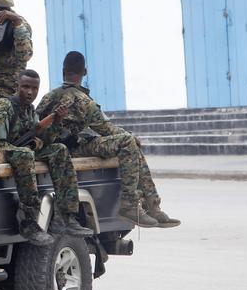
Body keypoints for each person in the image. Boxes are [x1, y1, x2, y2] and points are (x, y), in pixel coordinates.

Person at [37, 51, 180, 228]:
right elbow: (106, 129)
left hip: (52, 149)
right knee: (128, 142)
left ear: (63, 71)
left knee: (129, 142)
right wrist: (131, 137)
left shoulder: (47, 97)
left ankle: (152, 205)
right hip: (73, 149)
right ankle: (133, 204)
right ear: (85, 72)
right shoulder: (83, 100)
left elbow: (36, 123)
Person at [0, 69, 94, 245]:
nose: (30, 92)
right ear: (17, 86)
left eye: (34, 88)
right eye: (25, 87)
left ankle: (66, 216)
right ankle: (29, 221)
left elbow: (45, 139)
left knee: (59, 149)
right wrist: (26, 148)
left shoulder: (30, 110)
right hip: (3, 152)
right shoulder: (4, 106)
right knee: (25, 154)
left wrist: (56, 121)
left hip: (21, 152)